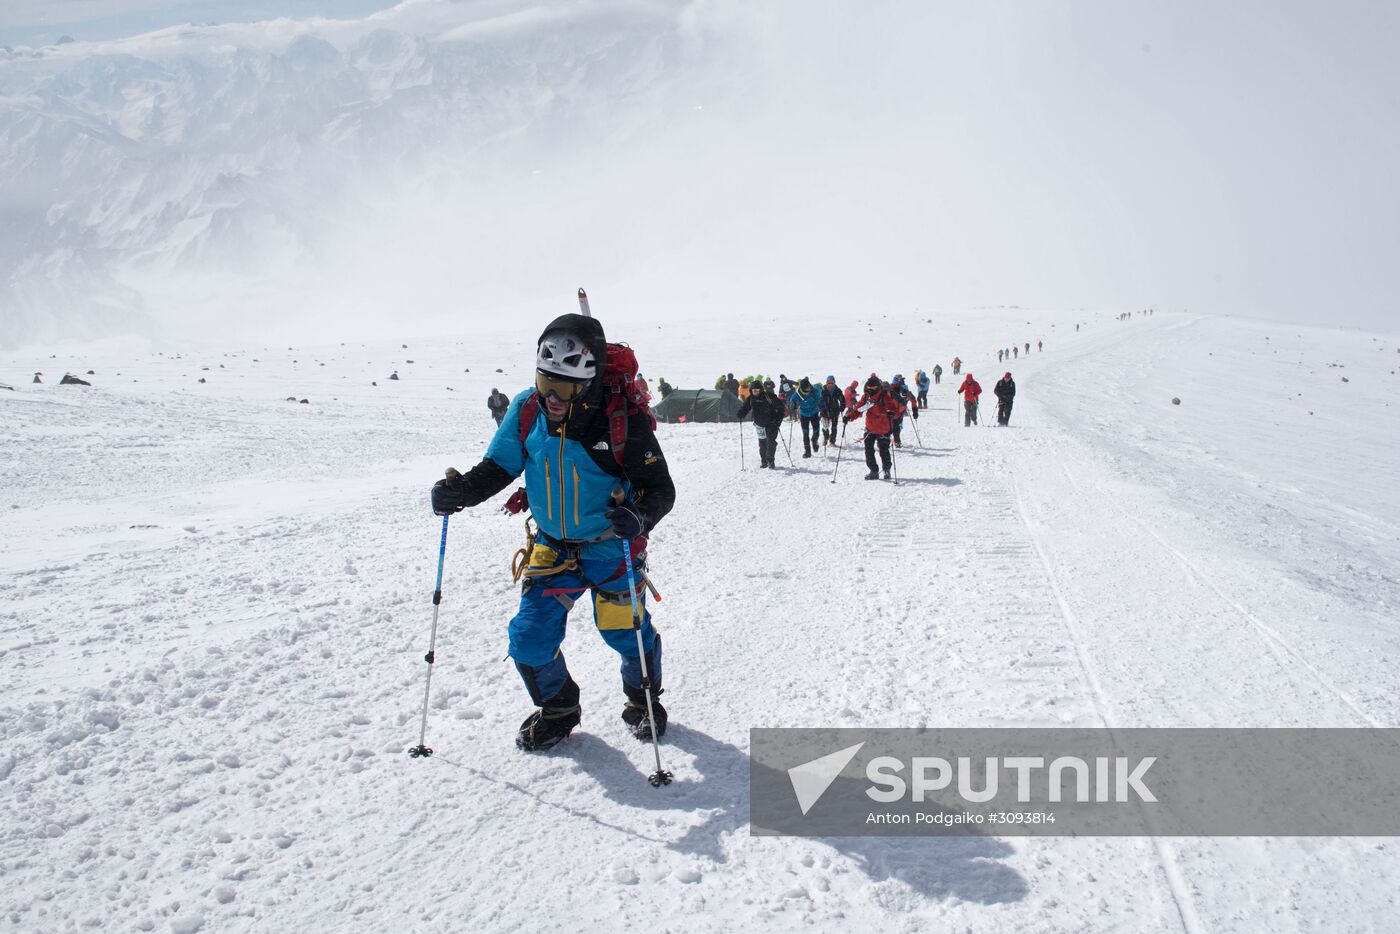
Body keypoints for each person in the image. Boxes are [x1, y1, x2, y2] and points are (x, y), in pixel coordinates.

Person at [430, 313, 676, 751]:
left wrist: (639, 518)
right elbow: (501, 465)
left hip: (609, 548)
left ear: (588, 383)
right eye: (545, 383)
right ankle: (560, 708)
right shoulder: (527, 409)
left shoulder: (620, 419)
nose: (551, 398)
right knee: (528, 638)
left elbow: (661, 489)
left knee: (625, 633)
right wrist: (462, 491)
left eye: (563, 389)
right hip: (552, 549)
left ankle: (643, 703)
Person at [843, 375, 902, 480]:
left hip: (883, 428)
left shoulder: (885, 396)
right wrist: (848, 417)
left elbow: (894, 410)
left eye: (872, 388)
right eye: (869, 388)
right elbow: (858, 409)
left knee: (883, 450)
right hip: (870, 428)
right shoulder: (866, 396)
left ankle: (886, 470)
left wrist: (891, 413)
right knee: (869, 450)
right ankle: (874, 471)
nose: (870, 389)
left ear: (878, 387)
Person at [737, 378, 785, 469]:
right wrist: (741, 413)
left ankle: (770, 460)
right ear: (751, 390)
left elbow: (781, 409)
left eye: (757, 390)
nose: (755, 392)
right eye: (754, 390)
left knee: (771, 442)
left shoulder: (769, 397)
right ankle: (764, 461)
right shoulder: (751, 398)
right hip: (759, 424)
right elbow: (745, 408)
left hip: (772, 423)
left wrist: (777, 420)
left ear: (761, 390)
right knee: (762, 444)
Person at [792, 377, 824, 458]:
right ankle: (807, 451)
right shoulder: (798, 394)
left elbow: (820, 400)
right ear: (802, 388)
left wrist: (823, 409)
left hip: (814, 413)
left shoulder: (815, 391)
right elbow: (792, 401)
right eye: (807, 388)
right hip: (804, 414)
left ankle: (814, 441)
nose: (809, 389)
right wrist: (792, 405)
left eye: (809, 387)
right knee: (805, 433)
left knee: (816, 431)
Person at [888, 374, 918, 447]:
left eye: (902, 381)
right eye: (901, 380)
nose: (902, 382)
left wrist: (915, 411)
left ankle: (896, 442)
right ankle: (886, 443)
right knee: (889, 429)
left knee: (896, 429)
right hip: (890, 414)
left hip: (898, 414)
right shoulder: (888, 389)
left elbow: (913, 400)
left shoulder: (904, 390)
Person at [820, 376, 845, 446]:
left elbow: (842, 400)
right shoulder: (823, 390)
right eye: (829, 383)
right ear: (826, 383)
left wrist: (842, 407)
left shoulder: (838, 390)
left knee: (834, 427)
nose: (830, 385)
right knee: (825, 427)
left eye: (832, 383)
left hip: (835, 411)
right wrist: (821, 409)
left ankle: (832, 441)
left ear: (834, 382)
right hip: (825, 412)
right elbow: (819, 401)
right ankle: (826, 437)